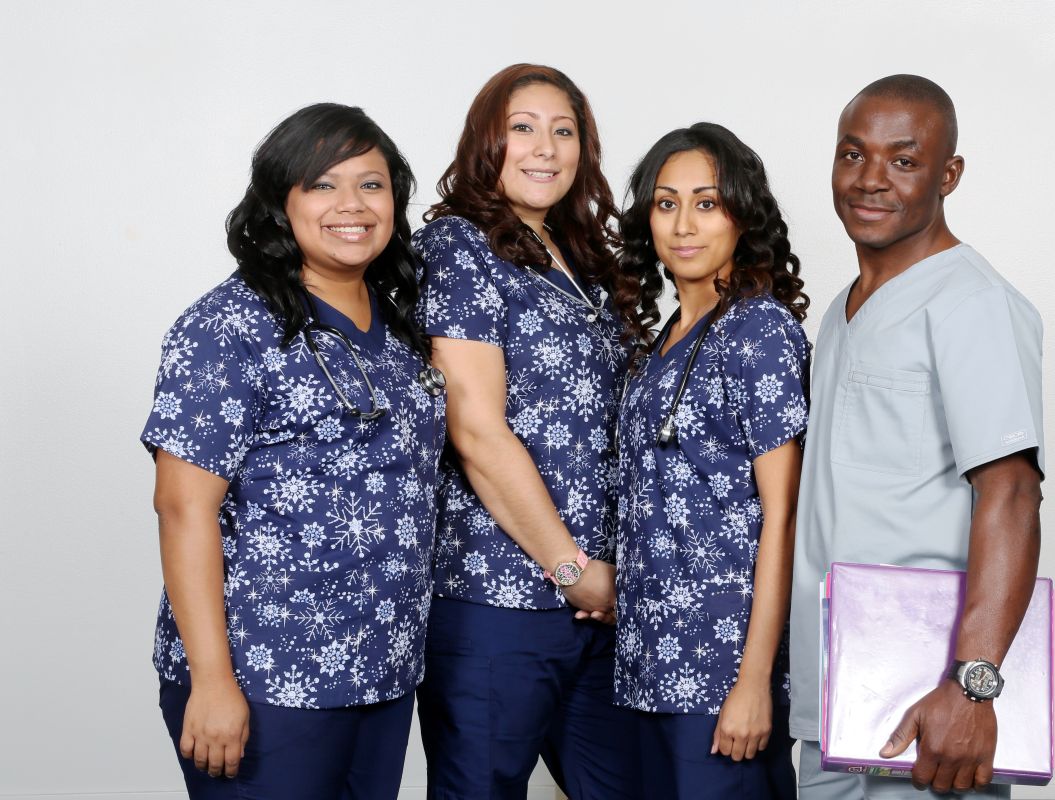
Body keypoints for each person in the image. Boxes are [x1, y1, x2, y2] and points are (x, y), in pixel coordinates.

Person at [141, 103, 445, 799]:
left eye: (372, 185)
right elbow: (183, 508)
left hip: (382, 671)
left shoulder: (400, 331)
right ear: (280, 201)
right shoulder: (230, 327)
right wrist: (214, 682)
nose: (352, 205)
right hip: (266, 675)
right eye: (323, 184)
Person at [789, 75, 1045, 799]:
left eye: (904, 160)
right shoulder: (842, 312)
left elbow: (1014, 493)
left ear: (948, 174)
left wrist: (972, 687)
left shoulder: (972, 303)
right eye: (852, 155)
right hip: (835, 694)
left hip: (927, 699)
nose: (871, 180)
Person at [411, 64, 639, 799]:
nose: (545, 147)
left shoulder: (587, 260)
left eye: (563, 130)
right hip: (499, 602)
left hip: (600, 607)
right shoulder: (460, 248)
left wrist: (600, 581)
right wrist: (572, 569)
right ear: (487, 142)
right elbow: (476, 430)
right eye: (523, 128)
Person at [611, 122, 811, 799]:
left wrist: (754, 681)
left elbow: (783, 517)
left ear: (741, 216)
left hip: (721, 670)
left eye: (706, 202)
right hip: (645, 668)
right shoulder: (659, 339)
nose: (683, 224)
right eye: (666, 203)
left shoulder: (758, 331)